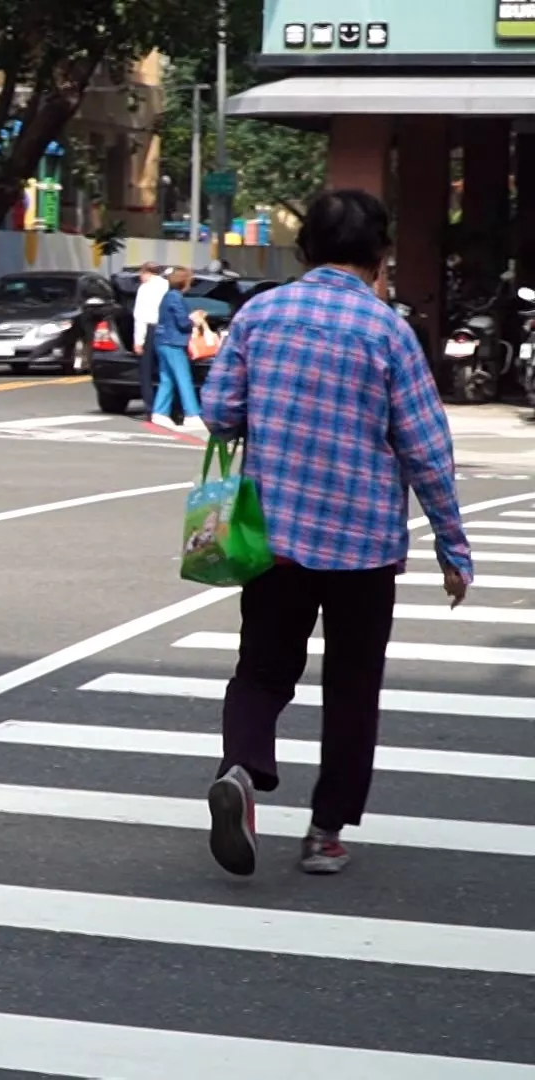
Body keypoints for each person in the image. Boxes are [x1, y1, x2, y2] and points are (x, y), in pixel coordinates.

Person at [199, 188, 472, 878]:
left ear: (304, 250)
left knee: (261, 670)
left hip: (273, 540)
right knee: (352, 689)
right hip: (364, 548)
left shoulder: (260, 315)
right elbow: (426, 448)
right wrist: (452, 546)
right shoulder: (387, 332)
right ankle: (325, 835)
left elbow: (220, 413)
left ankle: (240, 770)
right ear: (380, 254)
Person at [150, 267, 202, 430]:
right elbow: (183, 323)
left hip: (162, 341)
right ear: (184, 282)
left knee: (167, 378)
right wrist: (194, 320)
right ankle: (192, 414)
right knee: (183, 378)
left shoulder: (168, 296)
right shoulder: (176, 297)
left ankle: (160, 412)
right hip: (173, 342)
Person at [131, 263, 170, 421]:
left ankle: (150, 407)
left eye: (141, 274)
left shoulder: (145, 288)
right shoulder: (167, 285)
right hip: (166, 329)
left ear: (147, 272)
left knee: (146, 371)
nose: (140, 277)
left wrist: (138, 341)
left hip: (150, 330)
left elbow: (140, 316)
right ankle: (167, 407)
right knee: (165, 370)